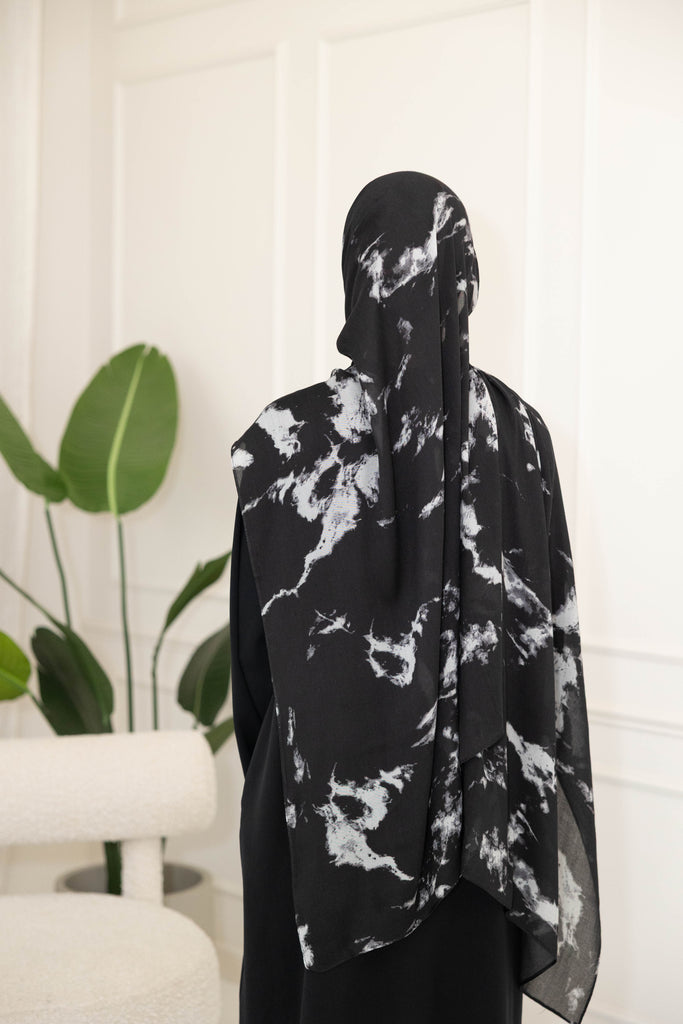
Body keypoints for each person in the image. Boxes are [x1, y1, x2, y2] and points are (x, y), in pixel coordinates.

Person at [229, 170, 601, 1024]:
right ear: (464, 278)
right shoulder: (520, 434)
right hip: (477, 815)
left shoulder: (283, 440)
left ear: (354, 272)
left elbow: (253, 657)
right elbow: (545, 637)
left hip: (315, 815)